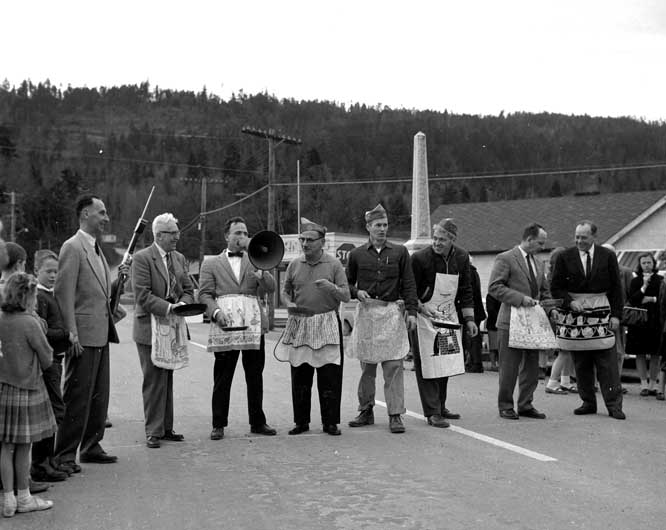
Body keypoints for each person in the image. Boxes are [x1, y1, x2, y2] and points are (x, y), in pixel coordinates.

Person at [54, 194, 123, 470]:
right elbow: (64, 294)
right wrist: (71, 333)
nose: (106, 218)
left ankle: (91, 446)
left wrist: (118, 281)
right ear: (85, 214)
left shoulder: (95, 249)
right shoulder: (72, 247)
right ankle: (64, 454)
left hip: (100, 333)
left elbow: (99, 294)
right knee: (78, 397)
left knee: (98, 396)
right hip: (81, 336)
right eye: (101, 212)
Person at [199, 216, 277, 440]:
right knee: (223, 376)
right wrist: (215, 312)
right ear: (227, 236)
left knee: (255, 376)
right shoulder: (211, 263)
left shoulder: (256, 260)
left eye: (245, 233)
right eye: (237, 233)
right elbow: (204, 294)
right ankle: (218, 423)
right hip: (226, 326)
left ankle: (258, 421)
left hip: (252, 325)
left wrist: (262, 274)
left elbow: (271, 288)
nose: (242, 237)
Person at [346, 204, 418, 434]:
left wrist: (412, 312)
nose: (382, 229)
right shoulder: (356, 255)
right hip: (367, 314)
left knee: (394, 366)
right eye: (378, 225)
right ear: (368, 227)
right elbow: (346, 283)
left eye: (385, 225)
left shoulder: (400, 253)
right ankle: (365, 410)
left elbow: (409, 283)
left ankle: (395, 414)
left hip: (391, 314)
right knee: (367, 367)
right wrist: (356, 292)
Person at [278, 218, 350, 436]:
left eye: (310, 240)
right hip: (301, 322)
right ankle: (301, 422)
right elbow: (285, 291)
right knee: (300, 375)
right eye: (302, 239)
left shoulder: (334, 265)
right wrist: (288, 303)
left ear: (322, 242)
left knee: (330, 376)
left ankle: (330, 422)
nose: (305, 244)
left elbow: (346, 295)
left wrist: (331, 287)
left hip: (327, 322)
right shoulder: (294, 264)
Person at [550, 220, 625, 419]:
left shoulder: (607, 255)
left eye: (583, 237)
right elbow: (555, 287)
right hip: (576, 316)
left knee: (607, 363)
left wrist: (616, 315)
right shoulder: (564, 256)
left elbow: (616, 288)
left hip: (602, 314)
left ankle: (614, 405)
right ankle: (588, 402)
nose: (579, 241)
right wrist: (569, 302)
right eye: (577, 237)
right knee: (581, 363)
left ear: (594, 237)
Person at [132, 213, 194, 448]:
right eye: (172, 233)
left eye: (178, 232)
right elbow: (142, 295)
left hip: (173, 326)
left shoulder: (179, 258)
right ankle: (153, 431)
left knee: (167, 376)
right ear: (158, 235)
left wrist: (183, 304)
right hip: (150, 326)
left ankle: (166, 428)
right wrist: (169, 308)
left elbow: (188, 289)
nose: (177, 237)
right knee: (153, 379)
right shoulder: (142, 258)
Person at [410, 218, 477, 428]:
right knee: (428, 363)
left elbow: (466, 289)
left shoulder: (462, 257)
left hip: (448, 315)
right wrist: (420, 307)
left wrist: (469, 319)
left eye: (442, 240)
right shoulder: (420, 258)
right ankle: (432, 412)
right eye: (435, 238)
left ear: (452, 240)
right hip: (424, 315)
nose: (437, 243)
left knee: (445, 361)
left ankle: (440, 405)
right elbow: (409, 290)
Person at [0, 273, 55, 517]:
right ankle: (24, 497)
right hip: (27, 388)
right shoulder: (30, 322)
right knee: (24, 447)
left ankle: (8, 500)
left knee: (5, 446)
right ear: (26, 296)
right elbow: (47, 357)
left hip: (3, 387)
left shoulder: (1, 318)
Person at [488, 223, 552, 420]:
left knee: (531, 368)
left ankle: (526, 404)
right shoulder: (506, 258)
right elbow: (494, 287)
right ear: (529, 239)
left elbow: (544, 291)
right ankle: (505, 405)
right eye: (540, 243)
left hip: (532, 323)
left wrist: (552, 308)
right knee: (509, 368)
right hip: (510, 321)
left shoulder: (539, 263)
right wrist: (520, 299)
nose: (542, 247)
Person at [30, 251, 71, 482]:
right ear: (36, 271)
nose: (54, 275)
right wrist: (66, 334)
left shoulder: (49, 294)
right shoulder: (40, 297)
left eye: (56, 271)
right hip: (49, 362)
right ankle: (41, 464)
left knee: (55, 410)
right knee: (54, 410)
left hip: (56, 359)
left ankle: (49, 460)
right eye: (48, 271)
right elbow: (42, 332)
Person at [625, 253, 662, 396]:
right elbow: (633, 300)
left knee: (655, 353)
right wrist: (644, 286)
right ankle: (643, 385)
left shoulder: (660, 280)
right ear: (640, 265)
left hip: (656, 320)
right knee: (639, 353)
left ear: (653, 263)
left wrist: (651, 299)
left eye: (649, 262)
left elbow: (662, 299)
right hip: (639, 321)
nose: (647, 265)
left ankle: (653, 385)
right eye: (644, 263)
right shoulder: (635, 281)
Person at [544, 247, 577, 395]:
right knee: (565, 350)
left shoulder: (552, 276)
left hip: (561, 315)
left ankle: (565, 381)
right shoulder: (559, 278)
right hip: (563, 315)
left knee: (568, 350)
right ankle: (552, 382)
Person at [602, 243, 633, 392]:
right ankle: (598, 382)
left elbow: (631, 295)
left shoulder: (625, 272)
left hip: (617, 317)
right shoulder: (595, 272)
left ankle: (616, 382)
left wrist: (620, 312)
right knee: (598, 350)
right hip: (599, 316)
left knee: (618, 352)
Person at [464, 257, 486, 372]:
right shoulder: (474, 272)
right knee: (474, 338)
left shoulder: (468, 272)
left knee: (472, 338)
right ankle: (473, 362)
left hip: (473, 311)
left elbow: (468, 292)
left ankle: (475, 363)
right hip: (477, 310)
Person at [485, 293, 501, 372]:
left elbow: (490, 309)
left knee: (494, 347)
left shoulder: (490, 295)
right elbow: (490, 310)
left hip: (493, 323)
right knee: (495, 347)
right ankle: (495, 364)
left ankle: (494, 364)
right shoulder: (494, 295)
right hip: (494, 324)